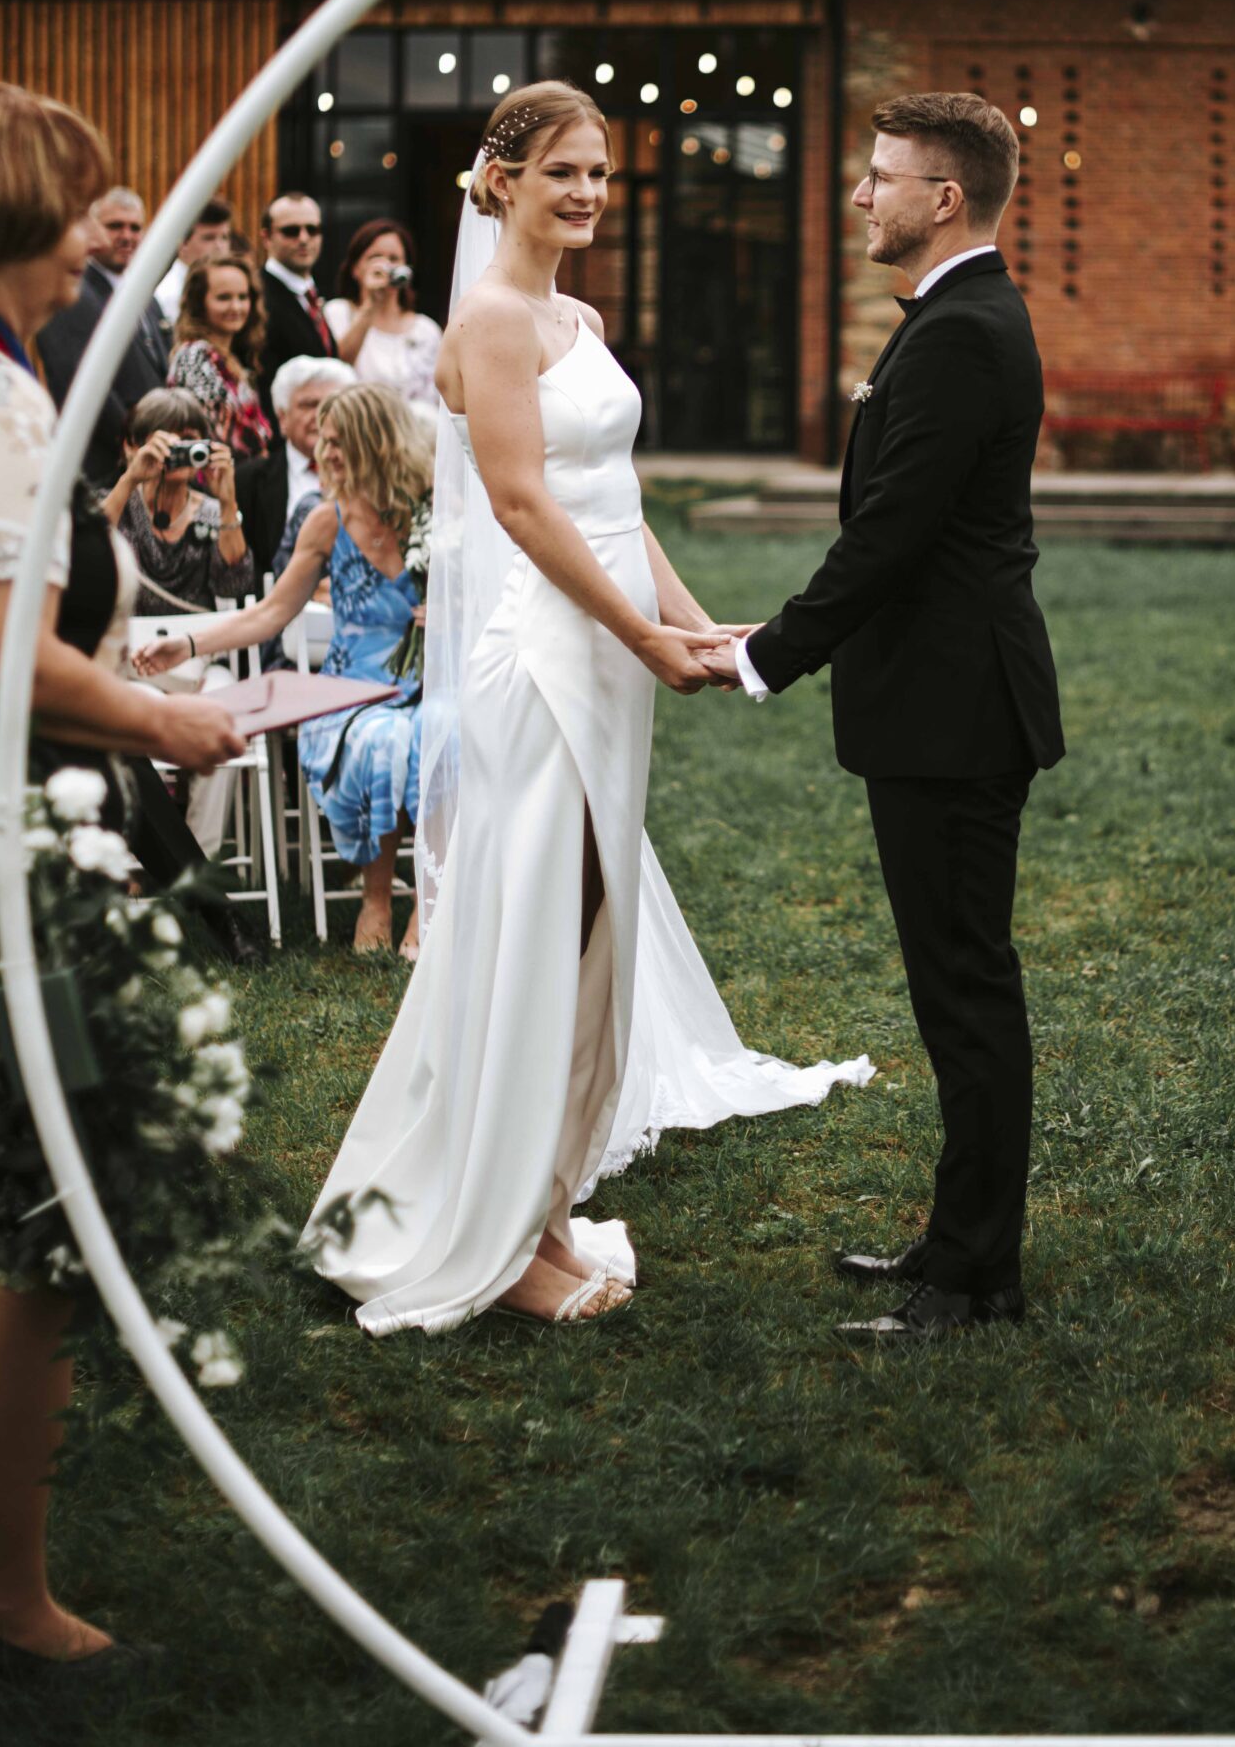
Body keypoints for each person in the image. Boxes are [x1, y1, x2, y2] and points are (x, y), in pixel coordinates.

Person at [290, 81, 868, 1333]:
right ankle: (504, 1237)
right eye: (564, 170)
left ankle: (542, 1205)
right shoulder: (492, 321)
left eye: (601, 171)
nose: (590, 192)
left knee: (589, 942)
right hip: (549, 661)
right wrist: (639, 636)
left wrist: (694, 622)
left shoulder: (577, 315)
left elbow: (617, 504)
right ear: (500, 181)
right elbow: (523, 508)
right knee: (536, 942)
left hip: (611, 653)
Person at [0, 82, 243, 1692]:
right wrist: (165, 720)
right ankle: (3, 1592)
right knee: (29, 1227)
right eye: (84, 216)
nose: (98, 247)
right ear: (33, 220)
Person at [697, 92, 1064, 1349]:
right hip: (940, 702)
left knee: (967, 992)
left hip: (957, 712)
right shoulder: (957, 317)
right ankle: (961, 1240)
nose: (861, 194)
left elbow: (893, 535)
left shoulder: (963, 331)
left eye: (881, 176)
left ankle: (975, 1280)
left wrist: (767, 654)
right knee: (954, 987)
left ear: (943, 199)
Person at [138, 383, 431, 951]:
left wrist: (450, 612)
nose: (328, 452)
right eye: (326, 441)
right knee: (385, 738)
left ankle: (427, 902)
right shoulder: (327, 521)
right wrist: (189, 644)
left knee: (445, 731)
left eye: (341, 441)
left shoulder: (435, 511)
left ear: (378, 441)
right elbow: (271, 613)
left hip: (429, 680)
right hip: (351, 691)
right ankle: (375, 900)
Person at [36, 184, 171, 491]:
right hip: (105, 467)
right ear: (93, 230)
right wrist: (133, 442)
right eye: (115, 226)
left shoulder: (145, 293)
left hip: (152, 463)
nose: (126, 236)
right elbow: (79, 380)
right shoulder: (74, 293)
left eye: (135, 227)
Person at [100, 391, 254, 617]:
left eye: (187, 440)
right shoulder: (117, 503)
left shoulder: (213, 513)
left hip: (197, 636)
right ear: (132, 446)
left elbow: (235, 587)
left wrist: (227, 502)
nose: (178, 451)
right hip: (127, 633)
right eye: (167, 442)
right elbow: (84, 554)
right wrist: (130, 479)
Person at [235, 356, 355, 581]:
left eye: (332, 405)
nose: (321, 416)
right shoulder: (246, 481)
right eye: (309, 405)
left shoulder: (372, 477)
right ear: (282, 418)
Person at [325, 219, 443, 411]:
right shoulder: (338, 313)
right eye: (375, 257)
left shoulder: (426, 330)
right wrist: (371, 304)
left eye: (394, 259)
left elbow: (437, 396)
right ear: (355, 269)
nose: (386, 266)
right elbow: (335, 369)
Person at [168, 251, 271, 462]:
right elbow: (214, 437)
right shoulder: (194, 356)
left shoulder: (231, 357)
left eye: (242, 297)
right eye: (224, 297)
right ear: (199, 302)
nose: (236, 307)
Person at [257, 191, 336, 422]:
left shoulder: (312, 293)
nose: (303, 239)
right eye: (291, 231)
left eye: (313, 229)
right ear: (266, 237)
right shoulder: (257, 296)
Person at [153, 196, 233, 330]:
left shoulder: (232, 287)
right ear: (183, 244)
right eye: (209, 238)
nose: (219, 247)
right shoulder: (169, 296)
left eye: (224, 237)